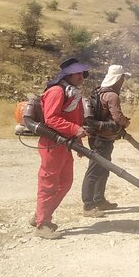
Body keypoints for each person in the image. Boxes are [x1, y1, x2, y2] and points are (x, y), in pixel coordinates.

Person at [30, 58, 90, 239]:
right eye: (77, 73)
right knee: (48, 184)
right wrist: (75, 130)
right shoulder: (57, 91)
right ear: (68, 75)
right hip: (52, 143)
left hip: (65, 144)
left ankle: (41, 214)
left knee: (65, 182)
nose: (81, 76)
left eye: (82, 73)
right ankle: (42, 225)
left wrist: (78, 144)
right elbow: (51, 119)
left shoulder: (74, 93)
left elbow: (76, 121)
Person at [81, 65, 131, 217]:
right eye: (122, 77)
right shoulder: (112, 96)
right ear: (117, 79)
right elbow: (117, 117)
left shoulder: (98, 92)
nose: (123, 81)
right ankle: (88, 206)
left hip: (97, 137)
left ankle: (99, 200)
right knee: (95, 170)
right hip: (103, 139)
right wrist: (126, 123)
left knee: (103, 169)